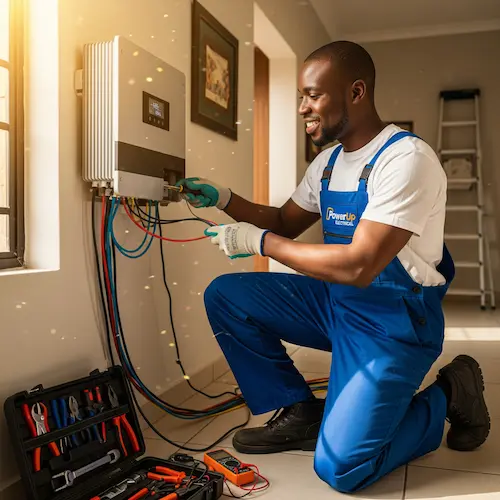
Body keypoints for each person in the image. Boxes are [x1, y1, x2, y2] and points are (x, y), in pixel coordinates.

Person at [176, 41, 490, 493]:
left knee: (342, 468)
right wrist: (226, 199)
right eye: (302, 97)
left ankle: (450, 392)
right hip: (336, 304)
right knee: (226, 295)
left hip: (393, 322)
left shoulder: (407, 160)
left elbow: (361, 265)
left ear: (356, 91)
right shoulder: (327, 163)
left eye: (313, 95)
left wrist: (260, 243)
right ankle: (301, 412)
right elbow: (285, 220)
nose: (303, 108)